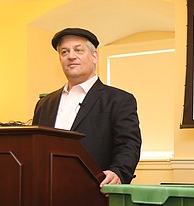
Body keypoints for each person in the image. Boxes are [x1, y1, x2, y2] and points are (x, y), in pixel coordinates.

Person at [32, 27, 142, 185]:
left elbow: (128, 145)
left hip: (94, 191)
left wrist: (118, 172)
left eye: (78, 50)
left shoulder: (119, 100)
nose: (71, 56)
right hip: (45, 190)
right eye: (64, 52)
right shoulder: (44, 104)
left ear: (94, 56)